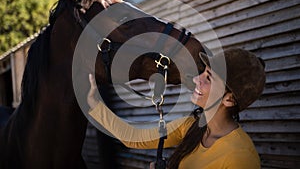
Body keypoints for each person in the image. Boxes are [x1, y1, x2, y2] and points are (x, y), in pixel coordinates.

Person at [87, 48, 266, 169]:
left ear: (229, 99)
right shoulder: (190, 127)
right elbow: (132, 137)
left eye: (209, 78)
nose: (196, 80)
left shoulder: (240, 157)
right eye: (203, 72)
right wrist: (95, 104)